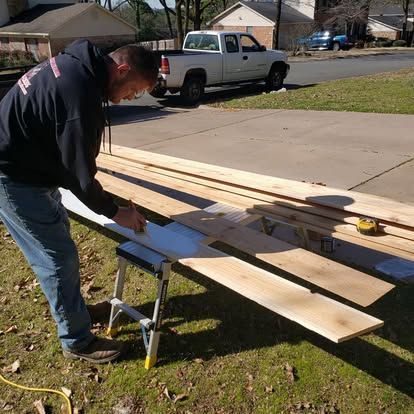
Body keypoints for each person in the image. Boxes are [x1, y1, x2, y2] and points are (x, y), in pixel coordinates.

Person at [0, 40, 158, 363]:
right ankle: (76, 339)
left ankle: (75, 311)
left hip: (32, 163)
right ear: (122, 70)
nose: (132, 97)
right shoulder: (80, 93)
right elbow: (81, 178)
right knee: (57, 257)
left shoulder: (80, 65)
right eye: (135, 90)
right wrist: (117, 212)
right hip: (12, 173)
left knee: (60, 239)